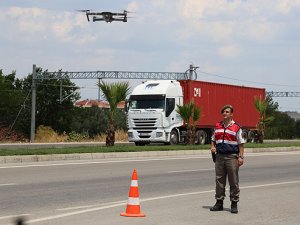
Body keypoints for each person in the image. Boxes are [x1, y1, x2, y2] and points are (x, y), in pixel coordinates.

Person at [210, 104, 245, 214]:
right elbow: (213, 139)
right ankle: (219, 202)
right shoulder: (217, 126)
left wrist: (241, 157)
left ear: (231, 114)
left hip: (232, 157)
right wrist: (212, 146)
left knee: (233, 181)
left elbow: (241, 144)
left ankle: (234, 203)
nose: (225, 113)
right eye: (223, 112)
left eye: (227, 112)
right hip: (219, 156)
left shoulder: (236, 127)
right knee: (219, 180)